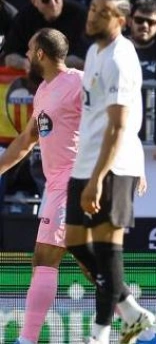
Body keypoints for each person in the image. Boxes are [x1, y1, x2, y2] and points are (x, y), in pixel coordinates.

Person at [65, 0, 156, 344]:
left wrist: (98, 178)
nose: (91, 16)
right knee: (75, 243)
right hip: (85, 160)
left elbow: (120, 125)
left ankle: (100, 334)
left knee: (107, 250)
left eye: (101, 13)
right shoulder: (93, 51)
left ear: (119, 21)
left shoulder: (121, 57)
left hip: (113, 165)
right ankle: (132, 312)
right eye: (91, 8)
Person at [1, 28, 81, 344]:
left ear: (39, 54)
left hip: (75, 182)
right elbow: (27, 139)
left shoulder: (79, 82)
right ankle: (141, 329)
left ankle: (26, 340)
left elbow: (114, 119)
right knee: (91, 265)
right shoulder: (44, 91)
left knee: (45, 259)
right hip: (59, 185)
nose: (25, 55)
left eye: (29, 49)